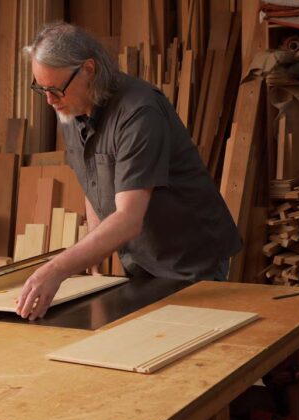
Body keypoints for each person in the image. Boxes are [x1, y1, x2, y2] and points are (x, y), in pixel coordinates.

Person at [16, 21, 241, 321]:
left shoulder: (139, 113)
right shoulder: (69, 107)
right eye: (41, 88)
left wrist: (57, 268)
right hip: (142, 260)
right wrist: (94, 248)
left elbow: (129, 218)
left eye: (55, 89)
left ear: (89, 70)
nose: (49, 100)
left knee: (188, 352)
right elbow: (92, 180)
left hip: (188, 258)